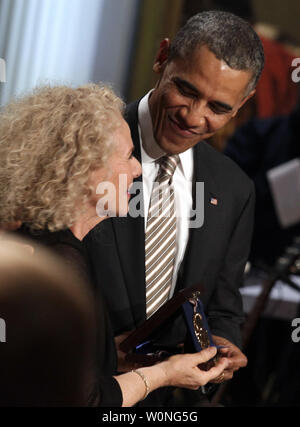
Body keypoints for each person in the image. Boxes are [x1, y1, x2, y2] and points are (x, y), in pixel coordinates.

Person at [0, 84, 229, 406]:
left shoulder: (63, 245)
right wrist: (164, 375)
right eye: (127, 156)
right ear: (82, 168)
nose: (137, 168)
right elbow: (86, 401)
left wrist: (111, 355)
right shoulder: (60, 264)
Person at [84, 10, 265, 405]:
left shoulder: (234, 189)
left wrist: (222, 343)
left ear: (243, 104)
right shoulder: (87, 146)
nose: (193, 116)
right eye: (186, 90)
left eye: (218, 107)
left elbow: (224, 306)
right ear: (163, 56)